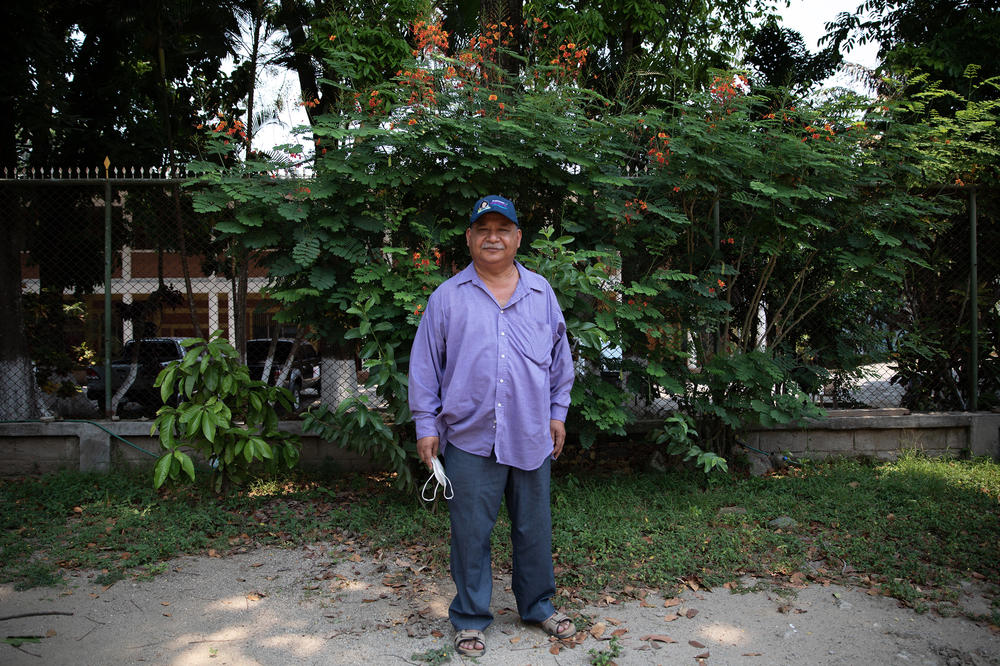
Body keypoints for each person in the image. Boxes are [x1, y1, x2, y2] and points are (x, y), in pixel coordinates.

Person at [408, 195, 576, 657]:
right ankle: (469, 617)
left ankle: (539, 605)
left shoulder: (541, 293)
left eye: (503, 228)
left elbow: (561, 362)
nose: (493, 237)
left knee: (533, 528)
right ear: (469, 238)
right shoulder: (447, 298)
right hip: (468, 438)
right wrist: (427, 425)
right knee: (469, 533)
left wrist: (557, 413)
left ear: (518, 237)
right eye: (483, 229)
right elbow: (425, 367)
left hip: (530, 434)